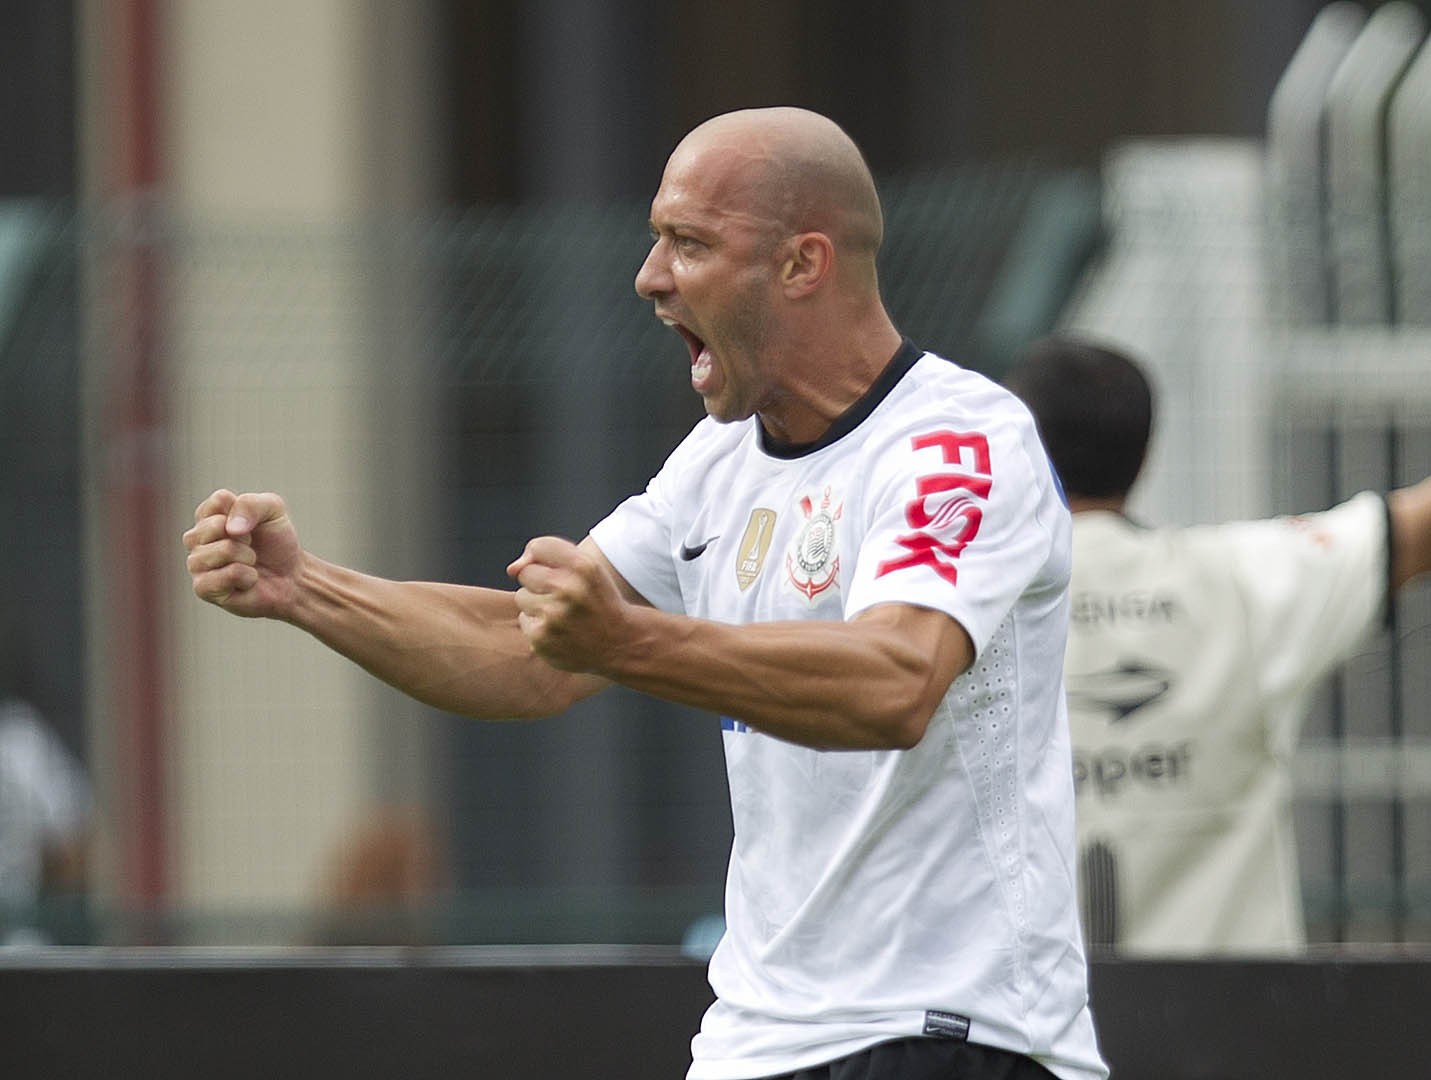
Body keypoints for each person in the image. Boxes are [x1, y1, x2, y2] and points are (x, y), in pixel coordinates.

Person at [184, 107, 1108, 1080]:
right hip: (756, 1038)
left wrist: (627, 642)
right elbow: (534, 658)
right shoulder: (717, 461)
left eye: (690, 243)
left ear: (803, 264)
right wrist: (304, 588)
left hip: (947, 1031)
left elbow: (894, 683)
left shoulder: (957, 444)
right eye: (656, 238)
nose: (651, 276)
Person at [1005, 334, 1431, 956]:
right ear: (1145, 452)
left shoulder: (961, 601)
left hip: (1014, 1032)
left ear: (1019, 442)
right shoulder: (1242, 579)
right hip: (1231, 1025)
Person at [1, 695, 92, 946]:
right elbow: (72, 851)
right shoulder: (21, 740)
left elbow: (73, 851)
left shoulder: (20, 740)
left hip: (17, 938)